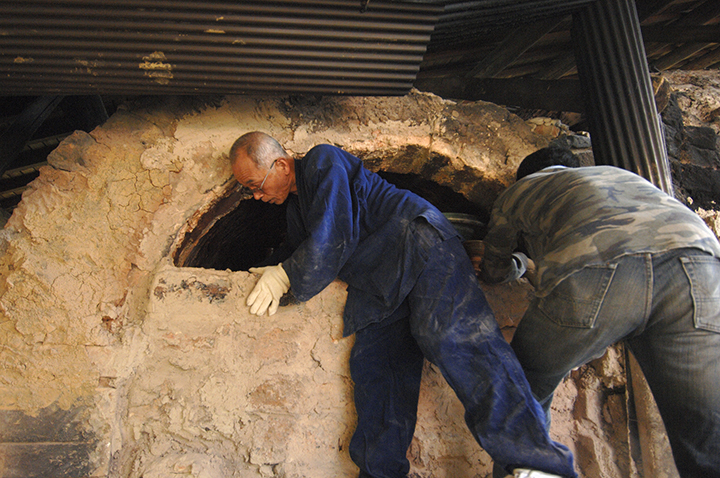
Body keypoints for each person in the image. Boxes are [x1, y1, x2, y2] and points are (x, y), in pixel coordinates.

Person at [229, 131, 577, 478]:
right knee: (378, 372)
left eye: (254, 185)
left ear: (281, 165)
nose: (257, 196)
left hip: (419, 244)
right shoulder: (297, 209)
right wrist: (260, 271)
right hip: (380, 283)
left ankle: (539, 464)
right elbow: (297, 249)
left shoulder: (322, 161)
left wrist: (286, 275)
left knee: (458, 342)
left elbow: (332, 236)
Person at [479, 146, 720, 478]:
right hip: (699, 269)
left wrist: (516, 264)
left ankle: (534, 468)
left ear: (524, 175)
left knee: (523, 386)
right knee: (705, 426)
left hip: (600, 268)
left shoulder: (522, 189)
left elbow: (493, 266)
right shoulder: (622, 176)